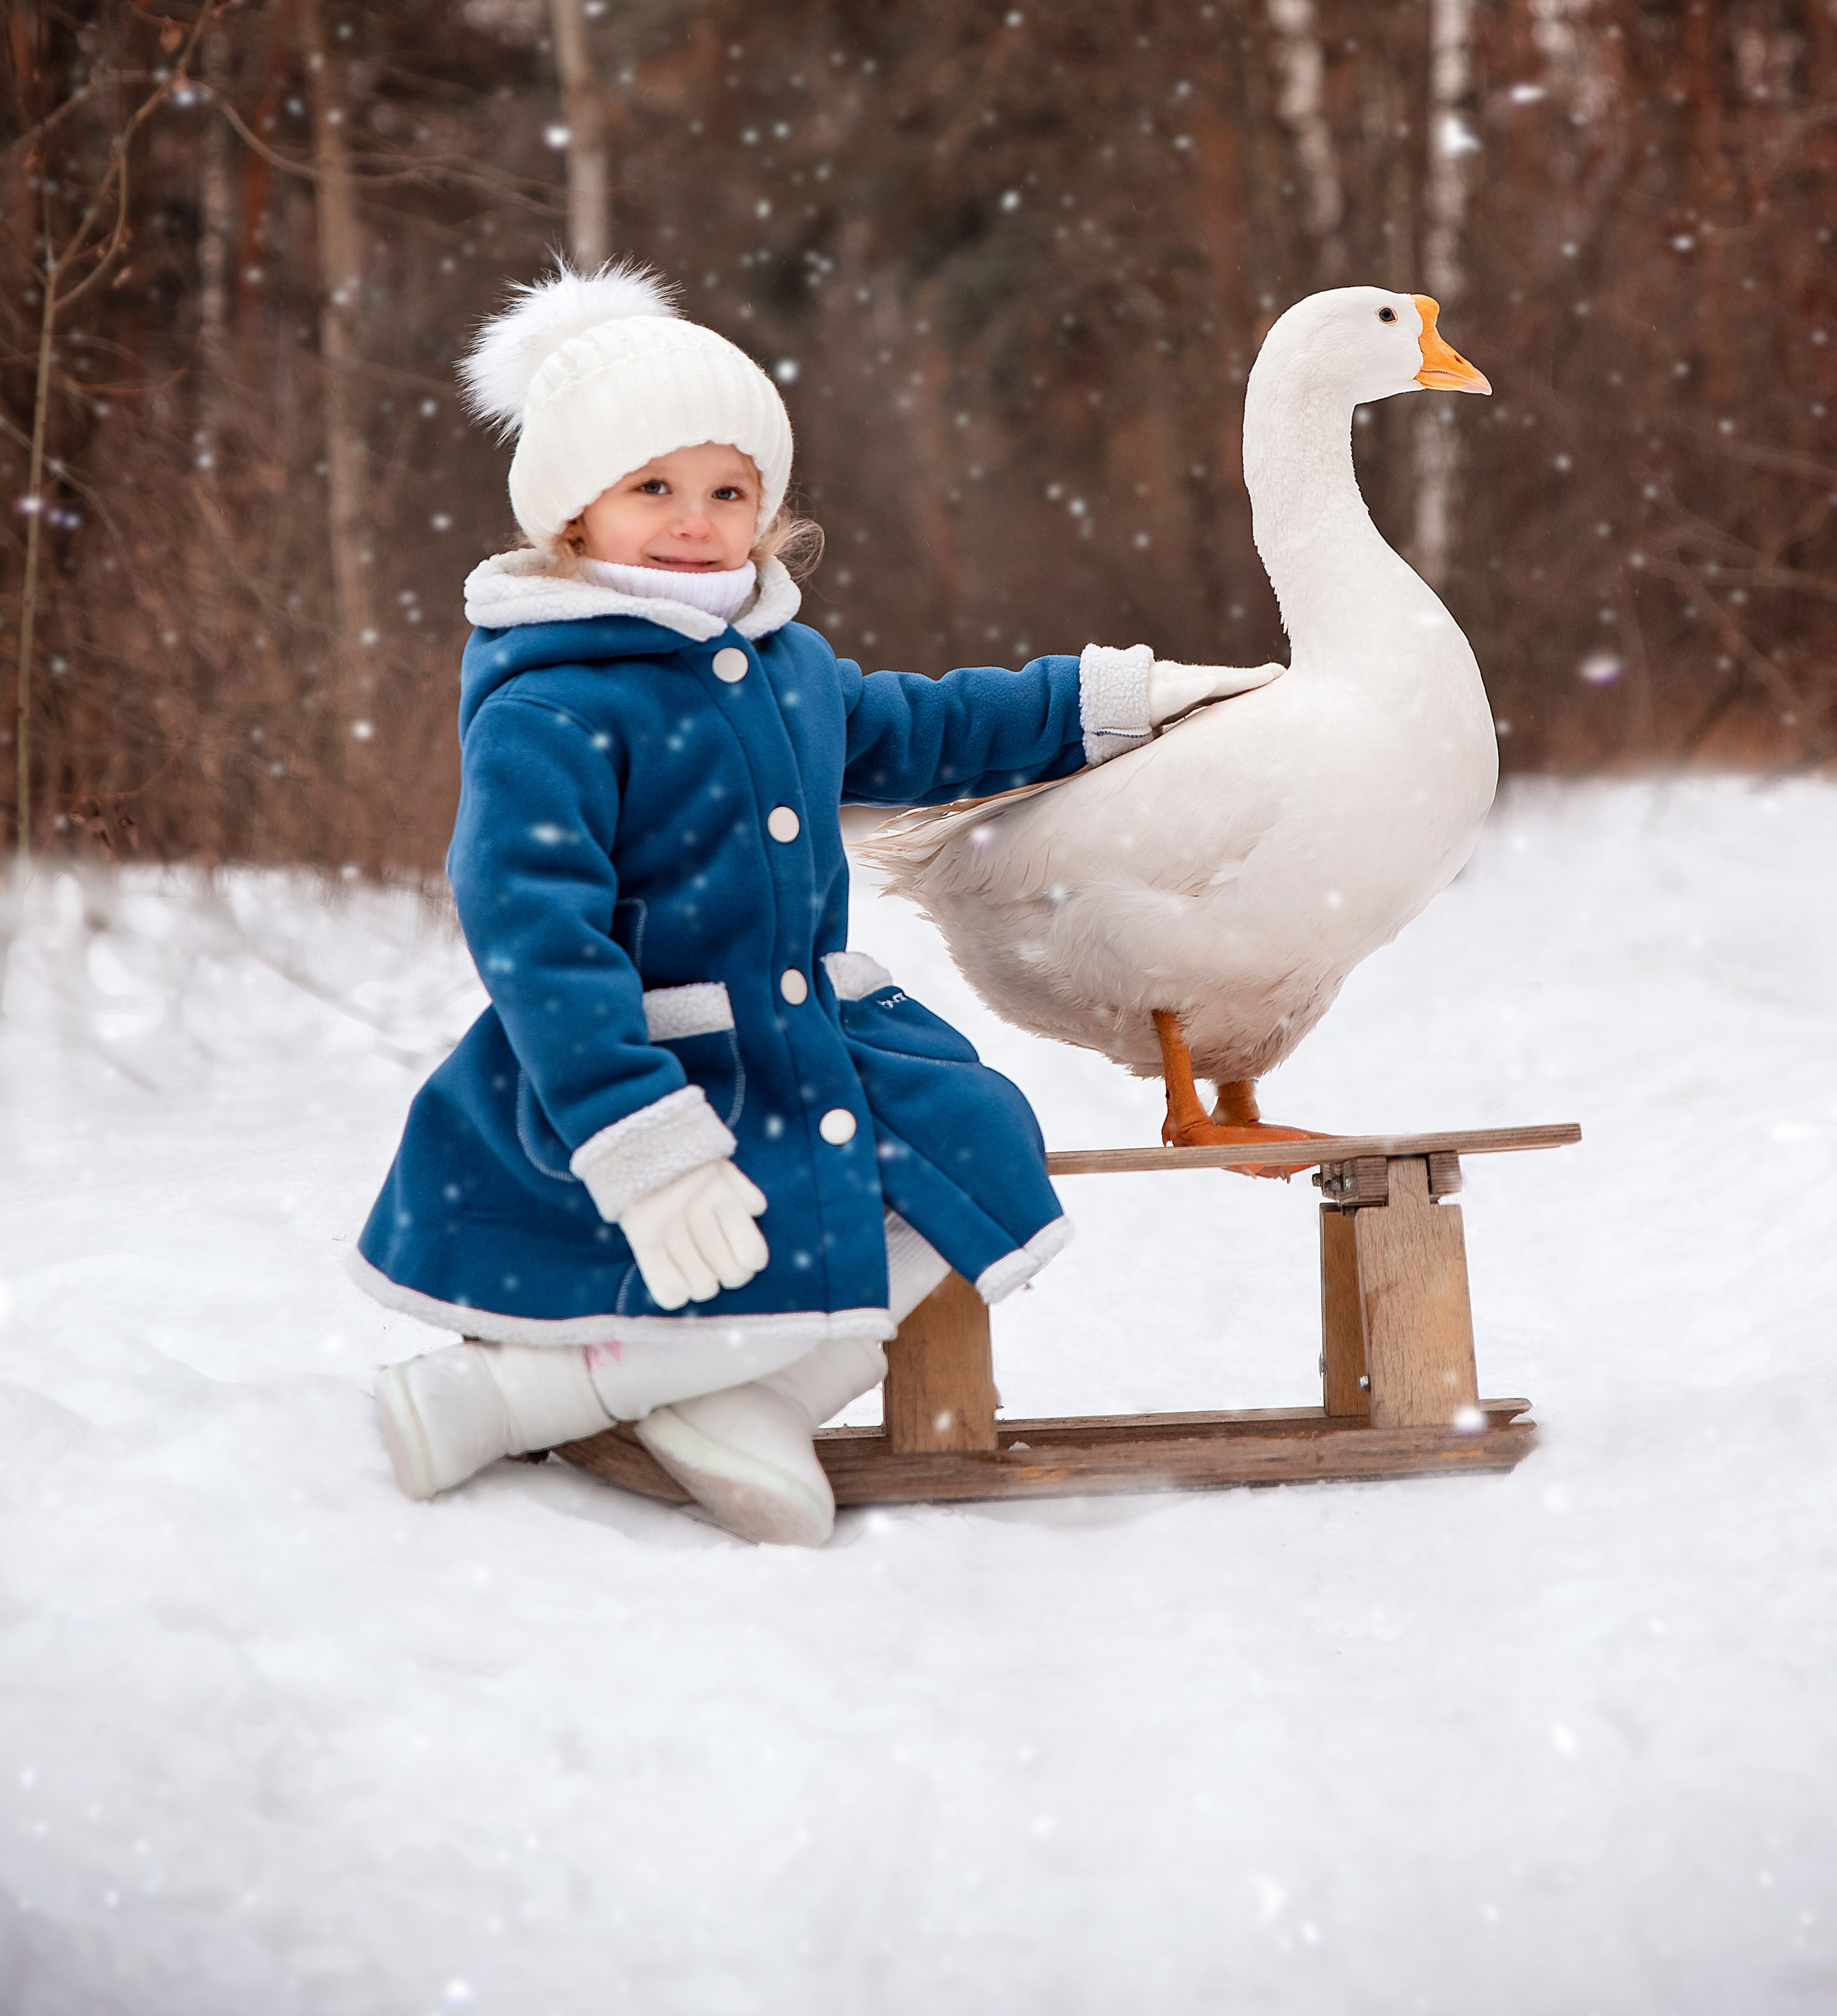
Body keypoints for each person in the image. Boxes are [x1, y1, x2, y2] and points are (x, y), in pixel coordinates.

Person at [353, 262, 1275, 1546]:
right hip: (649, 1062)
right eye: (652, 488)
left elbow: (923, 726)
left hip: (806, 1034)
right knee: (732, 1230)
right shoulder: (552, 702)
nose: (694, 519)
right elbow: (531, 931)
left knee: (978, 1148)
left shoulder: (782, 667)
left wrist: (1100, 704)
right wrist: (639, 1135)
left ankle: (756, 1401)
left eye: (728, 491)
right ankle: (510, 1394)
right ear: (572, 515)